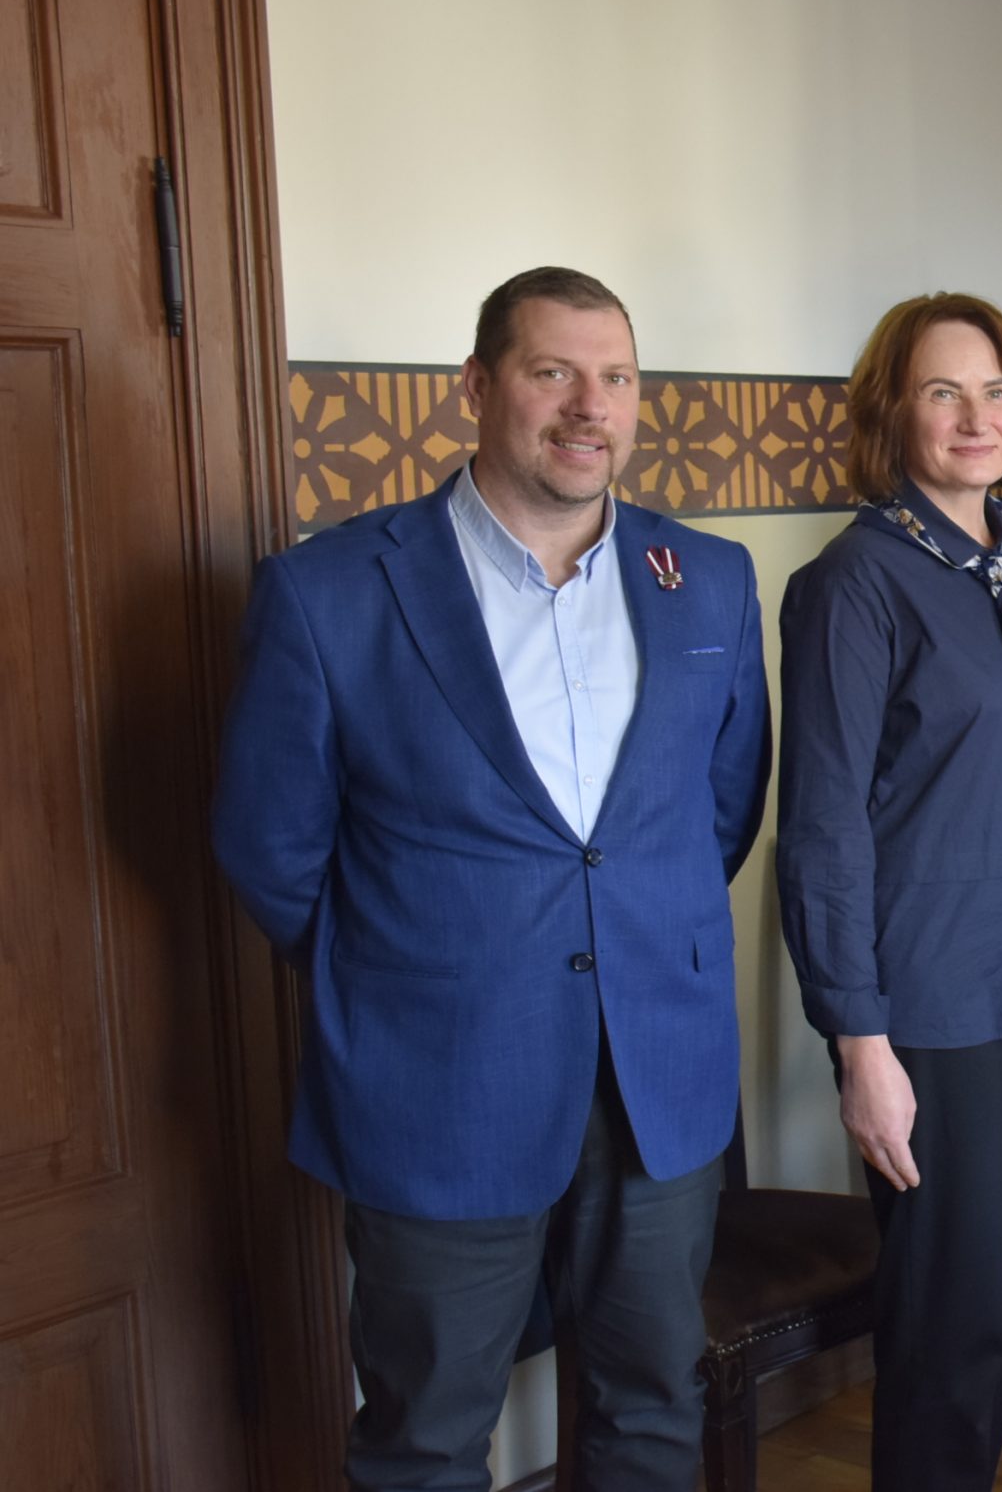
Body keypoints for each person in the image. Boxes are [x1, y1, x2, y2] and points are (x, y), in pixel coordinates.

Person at [212, 267, 772, 1491]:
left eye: (616, 378)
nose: (590, 407)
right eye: (551, 372)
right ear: (475, 385)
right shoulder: (329, 590)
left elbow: (715, 812)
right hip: (437, 1077)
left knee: (652, 1413)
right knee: (423, 1439)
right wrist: (405, 969)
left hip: (657, 1075)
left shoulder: (710, 578)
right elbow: (269, 843)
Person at [776, 292, 1002, 1491]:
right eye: (943, 392)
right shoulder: (853, 583)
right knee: (945, 1326)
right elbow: (820, 829)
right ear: (892, 413)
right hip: (927, 1007)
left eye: (996, 391)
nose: (978, 416)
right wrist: (858, 1041)